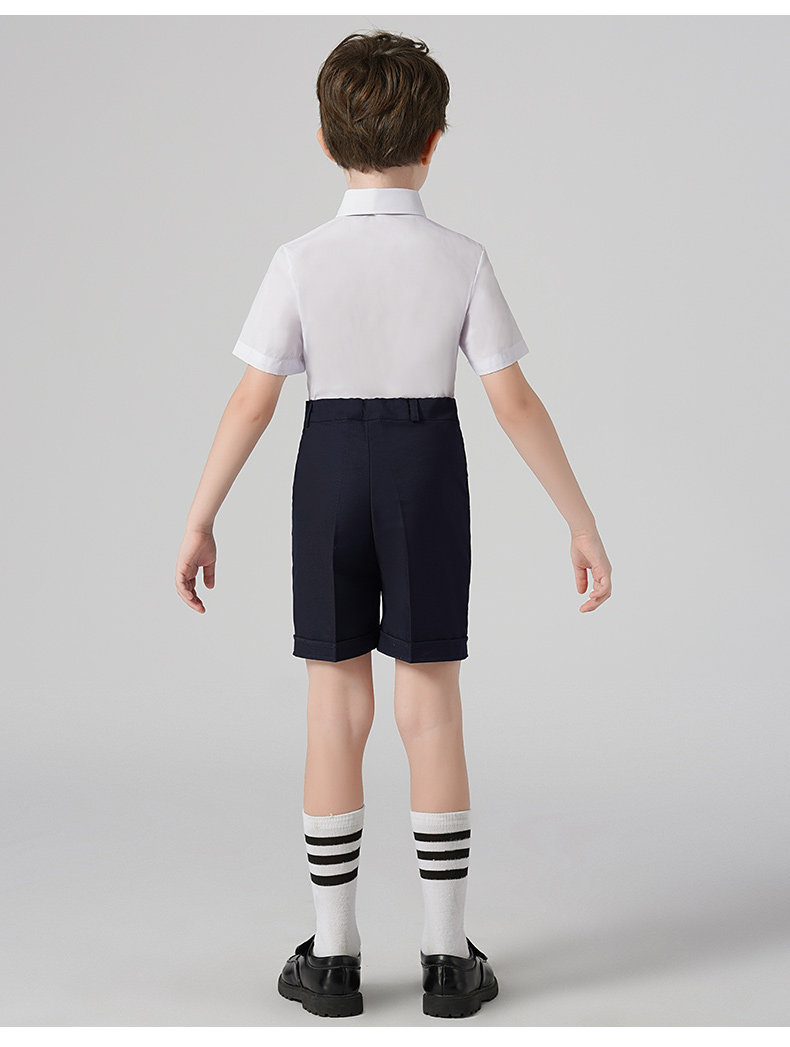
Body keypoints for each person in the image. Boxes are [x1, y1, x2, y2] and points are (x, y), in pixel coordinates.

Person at [175, 29, 612, 1020]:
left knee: (334, 703)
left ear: (325, 142)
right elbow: (514, 403)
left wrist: (201, 518)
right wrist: (579, 521)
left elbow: (250, 403)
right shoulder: (460, 258)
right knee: (432, 701)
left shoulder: (299, 259)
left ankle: (332, 958)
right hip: (426, 464)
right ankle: (447, 958)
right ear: (435, 140)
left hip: (328, 464)